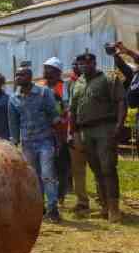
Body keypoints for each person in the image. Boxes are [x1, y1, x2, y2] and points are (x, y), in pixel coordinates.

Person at [69, 53, 126, 223]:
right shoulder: (77, 83)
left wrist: (119, 125)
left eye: (86, 63)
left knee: (108, 167)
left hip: (105, 128)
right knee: (96, 169)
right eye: (80, 64)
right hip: (85, 131)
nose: (83, 67)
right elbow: (72, 110)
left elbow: (121, 101)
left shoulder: (108, 79)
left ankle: (114, 208)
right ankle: (104, 206)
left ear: (94, 63)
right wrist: (72, 133)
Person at [8, 65, 62, 222]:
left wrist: (59, 140)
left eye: (22, 75)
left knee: (47, 175)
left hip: (45, 141)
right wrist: (14, 142)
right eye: (17, 75)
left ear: (30, 77)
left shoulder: (44, 93)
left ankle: (53, 209)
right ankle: (40, 207)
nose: (18, 77)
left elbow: (54, 116)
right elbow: (13, 124)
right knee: (33, 177)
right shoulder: (13, 98)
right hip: (27, 143)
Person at [40, 57, 72, 205]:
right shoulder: (39, 87)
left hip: (60, 132)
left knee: (61, 165)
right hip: (42, 132)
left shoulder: (65, 87)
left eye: (49, 69)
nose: (45, 71)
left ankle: (60, 195)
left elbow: (67, 109)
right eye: (45, 68)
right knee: (44, 166)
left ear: (58, 72)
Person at [66, 57, 91, 216]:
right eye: (75, 64)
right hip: (77, 131)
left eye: (80, 64)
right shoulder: (71, 84)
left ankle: (105, 202)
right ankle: (82, 202)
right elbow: (71, 110)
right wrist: (70, 132)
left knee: (99, 167)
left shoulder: (98, 81)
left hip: (95, 129)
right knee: (77, 169)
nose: (77, 67)